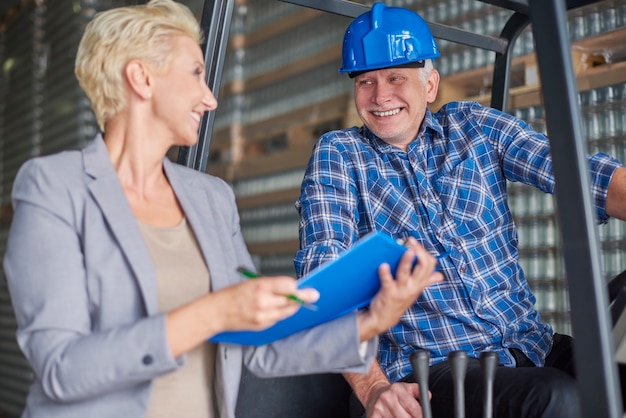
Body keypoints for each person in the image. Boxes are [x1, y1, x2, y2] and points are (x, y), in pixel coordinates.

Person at [2, 1, 444, 417]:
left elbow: (260, 349)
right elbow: (62, 368)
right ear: (141, 77)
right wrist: (213, 312)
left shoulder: (210, 197)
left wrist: (372, 321)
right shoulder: (54, 188)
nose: (209, 98)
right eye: (195, 73)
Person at [295, 3, 626, 418]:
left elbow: (581, 173)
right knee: (556, 399)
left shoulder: (474, 127)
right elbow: (322, 286)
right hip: (432, 368)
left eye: (396, 78)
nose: (380, 96)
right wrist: (374, 388)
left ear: (429, 85)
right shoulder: (340, 156)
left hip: (531, 345)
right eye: (366, 82)